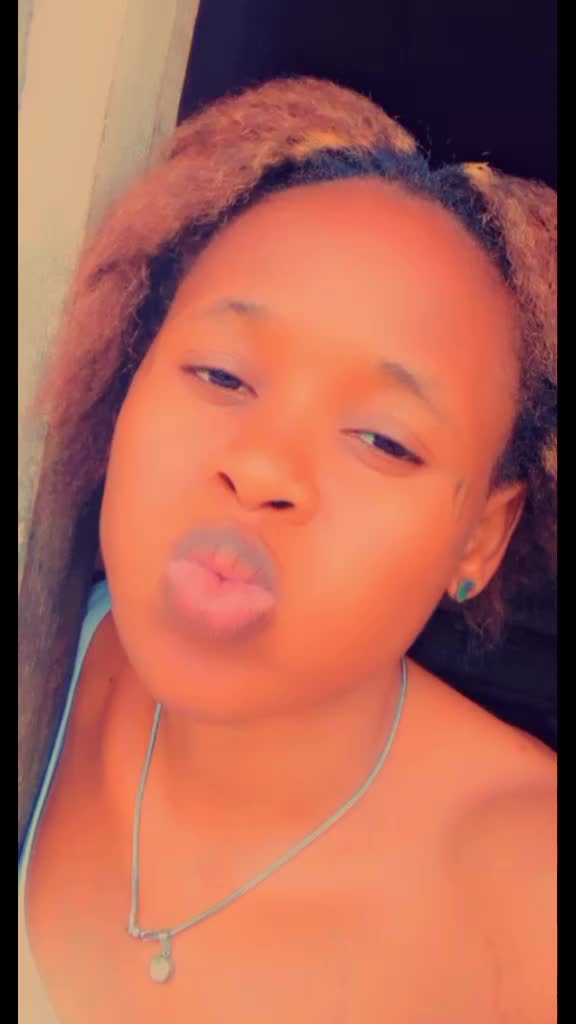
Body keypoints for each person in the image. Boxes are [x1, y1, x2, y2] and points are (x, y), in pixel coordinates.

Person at [19, 77, 557, 1023]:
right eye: (221, 375)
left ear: (481, 535)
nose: (263, 466)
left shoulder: (531, 899)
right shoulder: (47, 648)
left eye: (383, 439)